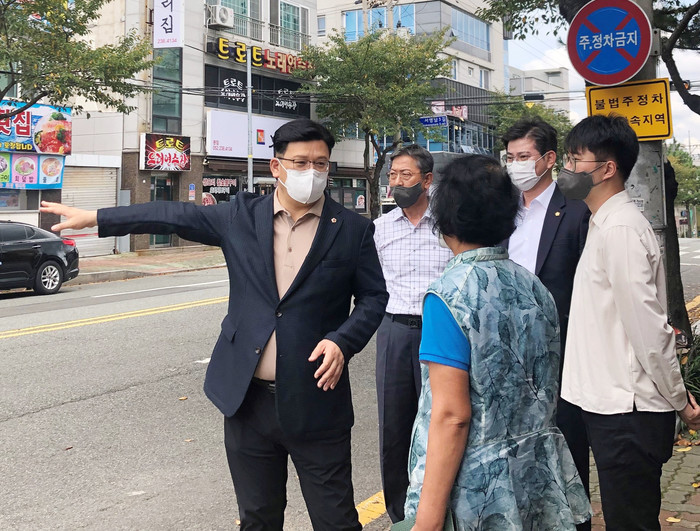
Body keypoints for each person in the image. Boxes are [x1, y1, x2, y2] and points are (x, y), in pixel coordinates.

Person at [41, 118, 389, 531]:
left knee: (336, 520)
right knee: (257, 518)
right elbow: (173, 215)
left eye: (320, 163)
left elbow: (374, 297)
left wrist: (342, 341)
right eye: (300, 163)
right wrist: (98, 217)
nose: (311, 172)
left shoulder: (352, 229)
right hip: (247, 400)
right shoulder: (240, 216)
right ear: (276, 167)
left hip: (317, 400)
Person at [403, 154, 591, 530]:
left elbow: (452, 416)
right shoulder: (534, 286)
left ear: (445, 220)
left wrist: (427, 520)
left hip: (477, 488)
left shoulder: (447, 296)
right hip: (538, 474)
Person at [559, 114, 700, 530]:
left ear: (607, 169)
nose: (567, 169)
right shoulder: (603, 223)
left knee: (631, 521)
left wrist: (680, 401)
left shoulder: (620, 229)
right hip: (612, 404)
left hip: (628, 410)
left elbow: (649, 331)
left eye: (575, 160)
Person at [501, 117, 592, 527]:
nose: (515, 165)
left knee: (566, 446)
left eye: (524, 156)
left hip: (561, 352)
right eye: (510, 157)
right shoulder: (501, 211)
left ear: (549, 159)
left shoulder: (577, 211)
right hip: (506, 352)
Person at [372, 145, 452, 522]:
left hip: (440, 331)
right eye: (393, 175)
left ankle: (438, 510)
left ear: (427, 180)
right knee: (394, 424)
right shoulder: (381, 228)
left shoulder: (449, 224)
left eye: (406, 175)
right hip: (394, 331)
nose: (397, 182)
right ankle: (399, 515)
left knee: (441, 419)